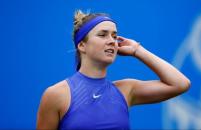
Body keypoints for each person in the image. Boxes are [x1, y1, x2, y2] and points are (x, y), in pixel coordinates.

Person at [36, 10, 191, 130]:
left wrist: (137, 50)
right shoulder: (56, 94)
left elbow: (180, 84)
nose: (111, 41)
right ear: (82, 45)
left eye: (114, 36)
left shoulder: (126, 90)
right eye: (103, 35)